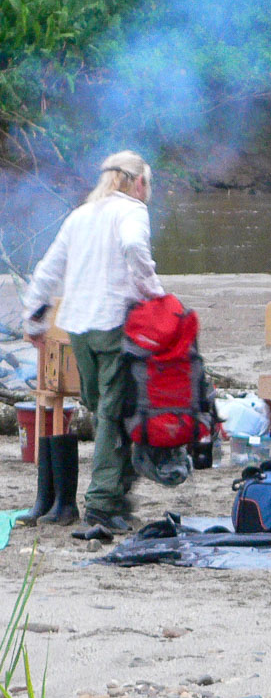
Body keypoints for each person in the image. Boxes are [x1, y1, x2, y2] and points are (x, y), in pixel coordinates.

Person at [20, 151, 166, 531]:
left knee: (105, 412)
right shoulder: (131, 211)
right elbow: (135, 248)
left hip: (79, 331)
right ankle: (102, 504)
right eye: (147, 183)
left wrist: (35, 320)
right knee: (113, 417)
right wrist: (154, 293)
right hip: (114, 324)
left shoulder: (81, 215)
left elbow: (48, 268)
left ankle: (111, 497)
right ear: (137, 182)